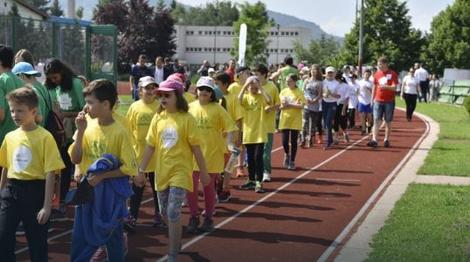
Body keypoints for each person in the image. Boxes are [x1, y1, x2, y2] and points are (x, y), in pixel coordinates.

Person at [136, 79, 209, 261]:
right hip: (162, 173)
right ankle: (176, 240)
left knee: (173, 211)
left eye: (167, 95)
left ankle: (172, 253)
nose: (162, 98)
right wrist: (141, 169)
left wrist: (204, 172)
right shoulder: (157, 118)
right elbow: (150, 147)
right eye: (160, 95)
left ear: (178, 96)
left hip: (180, 172)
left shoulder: (187, 119)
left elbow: (196, 149)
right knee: (164, 213)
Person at [69, 79, 137, 262]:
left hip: (111, 196)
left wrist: (103, 176)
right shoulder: (86, 126)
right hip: (87, 191)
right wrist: (80, 132)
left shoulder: (120, 132)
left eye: (91, 102)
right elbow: (75, 158)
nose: (86, 107)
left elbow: (129, 168)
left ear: (106, 104)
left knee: (112, 235)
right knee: (81, 234)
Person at [0, 87, 65, 261]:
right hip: (11, 191)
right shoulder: (10, 137)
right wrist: (1, 194)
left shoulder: (45, 137)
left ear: (34, 111)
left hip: (35, 191)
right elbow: (6, 168)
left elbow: (51, 172)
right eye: (12, 110)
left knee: (37, 243)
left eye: (20, 110)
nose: (15, 114)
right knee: (3, 237)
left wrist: (47, 206)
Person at [186, 77, 237, 233]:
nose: (204, 92)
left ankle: (208, 217)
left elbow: (231, 128)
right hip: (191, 156)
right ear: (197, 90)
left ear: (212, 93)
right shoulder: (189, 108)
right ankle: (194, 216)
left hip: (212, 155)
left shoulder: (218, 108)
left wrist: (229, 144)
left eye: (208, 90)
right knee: (191, 188)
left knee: (208, 188)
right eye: (202, 89)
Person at [44, 58, 85, 212]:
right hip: (62, 134)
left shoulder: (75, 83)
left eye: (55, 77)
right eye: (51, 79)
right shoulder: (51, 87)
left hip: (77, 133)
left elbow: (84, 109)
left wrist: (66, 114)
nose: (54, 81)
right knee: (64, 167)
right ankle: (62, 199)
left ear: (62, 72)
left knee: (79, 166)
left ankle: (82, 198)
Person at [126, 76, 164, 230]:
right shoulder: (134, 107)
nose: (150, 91)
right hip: (139, 155)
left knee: (158, 189)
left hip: (157, 157)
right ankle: (132, 217)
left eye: (152, 88)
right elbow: (128, 131)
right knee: (136, 189)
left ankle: (159, 216)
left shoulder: (161, 106)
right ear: (140, 90)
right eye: (146, 88)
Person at [238, 76, 271, 193]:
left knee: (258, 157)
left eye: (254, 86)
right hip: (248, 132)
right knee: (250, 159)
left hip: (260, 132)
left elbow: (269, 100)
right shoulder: (246, 97)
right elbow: (238, 100)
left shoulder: (261, 97)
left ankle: (259, 182)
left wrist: (260, 87)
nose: (253, 88)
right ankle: (251, 180)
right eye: (251, 86)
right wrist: (246, 85)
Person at [213, 72, 243, 202]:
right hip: (216, 140)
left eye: (217, 84)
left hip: (231, 139)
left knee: (229, 166)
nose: (215, 86)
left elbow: (239, 119)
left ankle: (225, 189)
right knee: (217, 167)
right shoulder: (214, 100)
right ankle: (217, 188)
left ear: (225, 85)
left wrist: (239, 136)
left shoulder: (233, 99)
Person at [254, 64, 280, 182]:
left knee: (265, 151)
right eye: (254, 74)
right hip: (255, 124)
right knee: (255, 151)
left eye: (258, 74)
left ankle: (266, 171)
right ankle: (257, 171)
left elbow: (278, 105)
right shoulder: (252, 86)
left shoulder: (272, 87)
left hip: (268, 125)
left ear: (264, 75)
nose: (255, 76)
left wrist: (270, 108)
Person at [368, 57, 398, 148]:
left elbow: (394, 87)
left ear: (385, 64)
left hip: (389, 101)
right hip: (378, 100)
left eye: (380, 64)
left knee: (388, 121)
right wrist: (372, 99)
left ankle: (386, 139)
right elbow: (374, 86)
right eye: (378, 64)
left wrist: (386, 87)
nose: (378, 66)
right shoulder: (377, 74)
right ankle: (374, 140)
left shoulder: (392, 74)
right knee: (376, 120)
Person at [279, 74, 305, 170]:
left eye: (289, 81)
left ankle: (292, 161)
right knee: (284, 141)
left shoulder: (299, 92)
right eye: (286, 81)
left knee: (294, 141)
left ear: (294, 82)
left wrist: (289, 104)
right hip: (285, 119)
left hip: (295, 119)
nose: (287, 83)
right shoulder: (283, 92)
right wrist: (287, 105)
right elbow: (281, 106)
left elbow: (301, 105)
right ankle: (287, 154)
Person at [228, 66, 251, 178]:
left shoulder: (250, 87)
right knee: (233, 146)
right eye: (247, 73)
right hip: (234, 121)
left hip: (246, 121)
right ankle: (228, 169)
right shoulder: (233, 87)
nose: (249, 74)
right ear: (240, 74)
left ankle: (240, 167)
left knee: (242, 145)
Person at [0, 45, 25, 144]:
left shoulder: (1, 80)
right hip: (19, 138)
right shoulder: (21, 82)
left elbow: (0, 115)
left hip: (3, 139)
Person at [12, 62, 48, 127]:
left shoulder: (30, 92)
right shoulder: (42, 87)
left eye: (15, 78)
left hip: (34, 133)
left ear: (21, 76)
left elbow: (38, 118)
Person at [302, 64, 323, 147]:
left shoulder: (319, 82)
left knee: (312, 124)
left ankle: (310, 139)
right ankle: (303, 139)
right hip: (306, 105)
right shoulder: (306, 81)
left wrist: (315, 100)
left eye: (315, 70)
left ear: (318, 72)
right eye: (312, 70)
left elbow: (320, 94)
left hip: (314, 105)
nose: (313, 71)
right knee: (304, 123)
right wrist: (305, 99)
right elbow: (303, 92)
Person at [322, 67, 340, 149]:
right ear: (326, 73)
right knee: (325, 122)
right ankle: (331, 139)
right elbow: (320, 93)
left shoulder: (336, 83)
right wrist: (324, 95)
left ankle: (328, 142)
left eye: (331, 73)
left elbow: (339, 95)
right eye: (328, 73)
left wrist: (331, 94)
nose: (330, 74)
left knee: (328, 122)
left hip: (332, 103)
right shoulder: (323, 82)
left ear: (334, 74)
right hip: (324, 103)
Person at [333, 73, 350, 144]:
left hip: (342, 105)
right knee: (335, 121)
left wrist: (344, 108)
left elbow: (347, 98)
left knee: (342, 121)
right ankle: (336, 137)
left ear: (339, 79)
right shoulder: (334, 85)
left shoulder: (346, 86)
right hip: (334, 104)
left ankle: (345, 133)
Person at [358, 69, 374, 135]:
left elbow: (373, 92)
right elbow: (357, 90)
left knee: (369, 117)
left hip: (369, 101)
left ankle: (370, 125)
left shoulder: (371, 83)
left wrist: (369, 89)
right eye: (366, 74)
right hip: (361, 100)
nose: (367, 76)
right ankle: (363, 129)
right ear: (363, 74)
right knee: (362, 115)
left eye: (368, 74)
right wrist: (358, 93)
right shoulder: (359, 82)